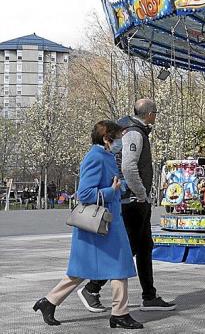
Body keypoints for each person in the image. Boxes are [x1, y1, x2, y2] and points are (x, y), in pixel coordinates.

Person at [33, 121, 143, 329]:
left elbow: (110, 183)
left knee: (98, 269)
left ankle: (49, 302)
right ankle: (119, 314)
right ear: (106, 138)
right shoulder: (95, 157)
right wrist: (112, 191)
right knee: (109, 268)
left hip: (107, 225)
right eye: (118, 137)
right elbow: (84, 194)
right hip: (98, 226)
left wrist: (123, 188)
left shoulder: (106, 156)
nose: (121, 142)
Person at [81, 99, 176, 313]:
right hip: (132, 201)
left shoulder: (134, 130)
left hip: (135, 200)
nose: (156, 117)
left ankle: (149, 296)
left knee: (144, 248)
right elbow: (129, 166)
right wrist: (141, 193)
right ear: (150, 114)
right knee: (129, 248)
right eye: (155, 113)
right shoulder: (134, 133)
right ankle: (92, 288)